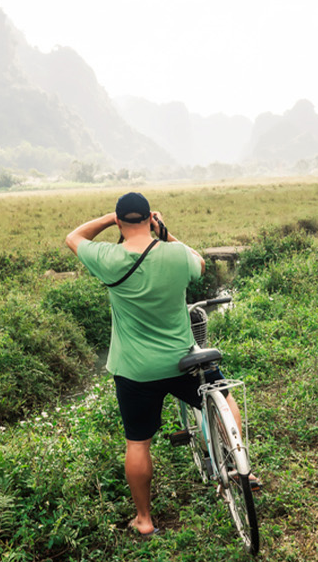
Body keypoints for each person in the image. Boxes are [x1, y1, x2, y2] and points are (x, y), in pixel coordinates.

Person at [65, 192, 212, 538]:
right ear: (151, 219)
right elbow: (200, 264)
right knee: (219, 393)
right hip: (182, 360)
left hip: (135, 370)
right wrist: (166, 233)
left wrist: (106, 218)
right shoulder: (176, 254)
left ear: (119, 222)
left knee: (138, 443)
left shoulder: (108, 258)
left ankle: (144, 520)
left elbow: (73, 238)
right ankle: (240, 468)